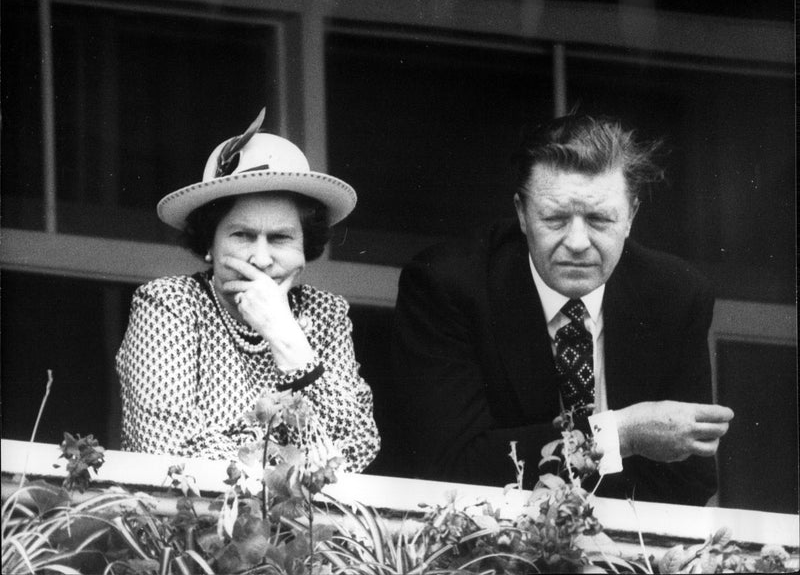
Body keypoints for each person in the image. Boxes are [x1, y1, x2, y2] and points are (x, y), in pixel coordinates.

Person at [380, 114, 733, 505]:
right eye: (555, 218)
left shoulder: (676, 294)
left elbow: (691, 479)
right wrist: (617, 435)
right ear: (521, 214)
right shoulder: (446, 284)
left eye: (599, 219)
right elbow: (446, 464)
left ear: (631, 216)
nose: (578, 241)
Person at [117, 109, 380, 472]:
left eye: (280, 238)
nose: (260, 258)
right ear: (209, 243)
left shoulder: (325, 313)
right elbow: (165, 448)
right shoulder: (169, 303)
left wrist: (286, 337)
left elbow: (354, 453)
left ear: (306, 249)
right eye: (242, 235)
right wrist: (293, 466)